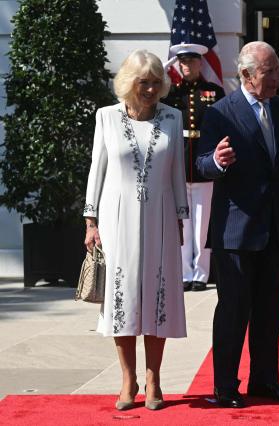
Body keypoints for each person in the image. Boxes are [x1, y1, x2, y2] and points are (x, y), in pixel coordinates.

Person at [196, 41, 279, 409]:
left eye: (277, 69)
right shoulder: (221, 112)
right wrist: (218, 162)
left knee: (270, 311)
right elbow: (201, 163)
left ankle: (264, 381)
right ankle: (225, 386)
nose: (276, 78)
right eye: (268, 71)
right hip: (236, 232)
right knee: (233, 310)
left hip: (276, 228)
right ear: (245, 75)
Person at [83, 49, 189, 411]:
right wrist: (91, 220)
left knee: (157, 294)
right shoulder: (106, 118)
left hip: (160, 215)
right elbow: (97, 168)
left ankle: (154, 378)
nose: (150, 88)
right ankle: (128, 379)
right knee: (123, 296)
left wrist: (180, 216)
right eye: (143, 81)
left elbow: (177, 172)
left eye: (156, 82)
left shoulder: (173, 117)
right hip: (116, 217)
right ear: (129, 82)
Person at [164, 43, 225, 292]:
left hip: (203, 164)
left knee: (203, 225)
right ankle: (184, 273)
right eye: (182, 62)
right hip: (179, 164)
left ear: (201, 63)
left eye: (191, 62)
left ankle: (201, 273)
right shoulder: (172, 94)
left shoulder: (212, 92)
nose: (186, 67)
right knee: (183, 224)